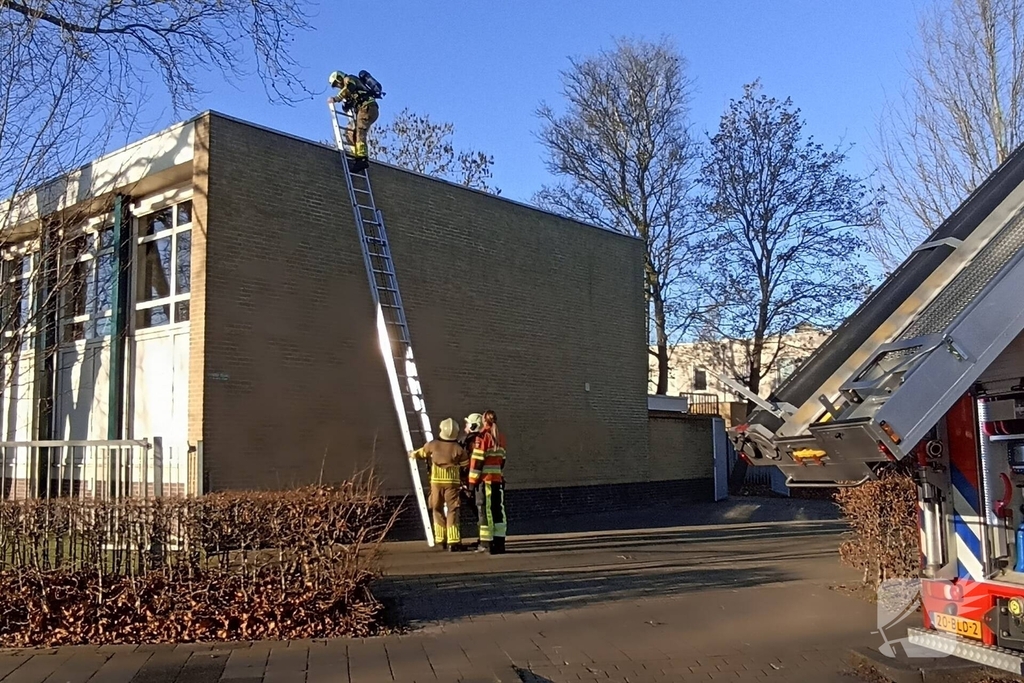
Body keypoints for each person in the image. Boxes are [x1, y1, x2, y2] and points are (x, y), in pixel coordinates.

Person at [410, 417, 470, 551]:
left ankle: (440, 538)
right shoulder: (458, 449)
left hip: (436, 482)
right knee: (452, 510)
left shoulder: (433, 445)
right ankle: (453, 541)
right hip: (452, 484)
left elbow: (421, 453)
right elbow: (466, 466)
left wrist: (412, 454)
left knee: (436, 508)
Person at [467, 410, 508, 555]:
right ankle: (499, 543)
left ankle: (486, 544)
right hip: (497, 481)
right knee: (498, 512)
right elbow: (502, 460)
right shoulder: (500, 437)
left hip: (485, 482)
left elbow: (477, 463)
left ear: (484, 421)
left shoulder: (482, 437)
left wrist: (471, 484)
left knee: (485, 511)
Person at [328, 70, 380, 164]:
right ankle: (356, 155)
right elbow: (348, 103)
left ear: (339, 78)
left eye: (336, 83)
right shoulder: (350, 92)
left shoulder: (349, 79)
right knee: (350, 132)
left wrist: (336, 99)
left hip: (367, 107)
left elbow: (349, 87)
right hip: (365, 109)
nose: (337, 86)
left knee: (360, 132)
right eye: (335, 85)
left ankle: (362, 159)